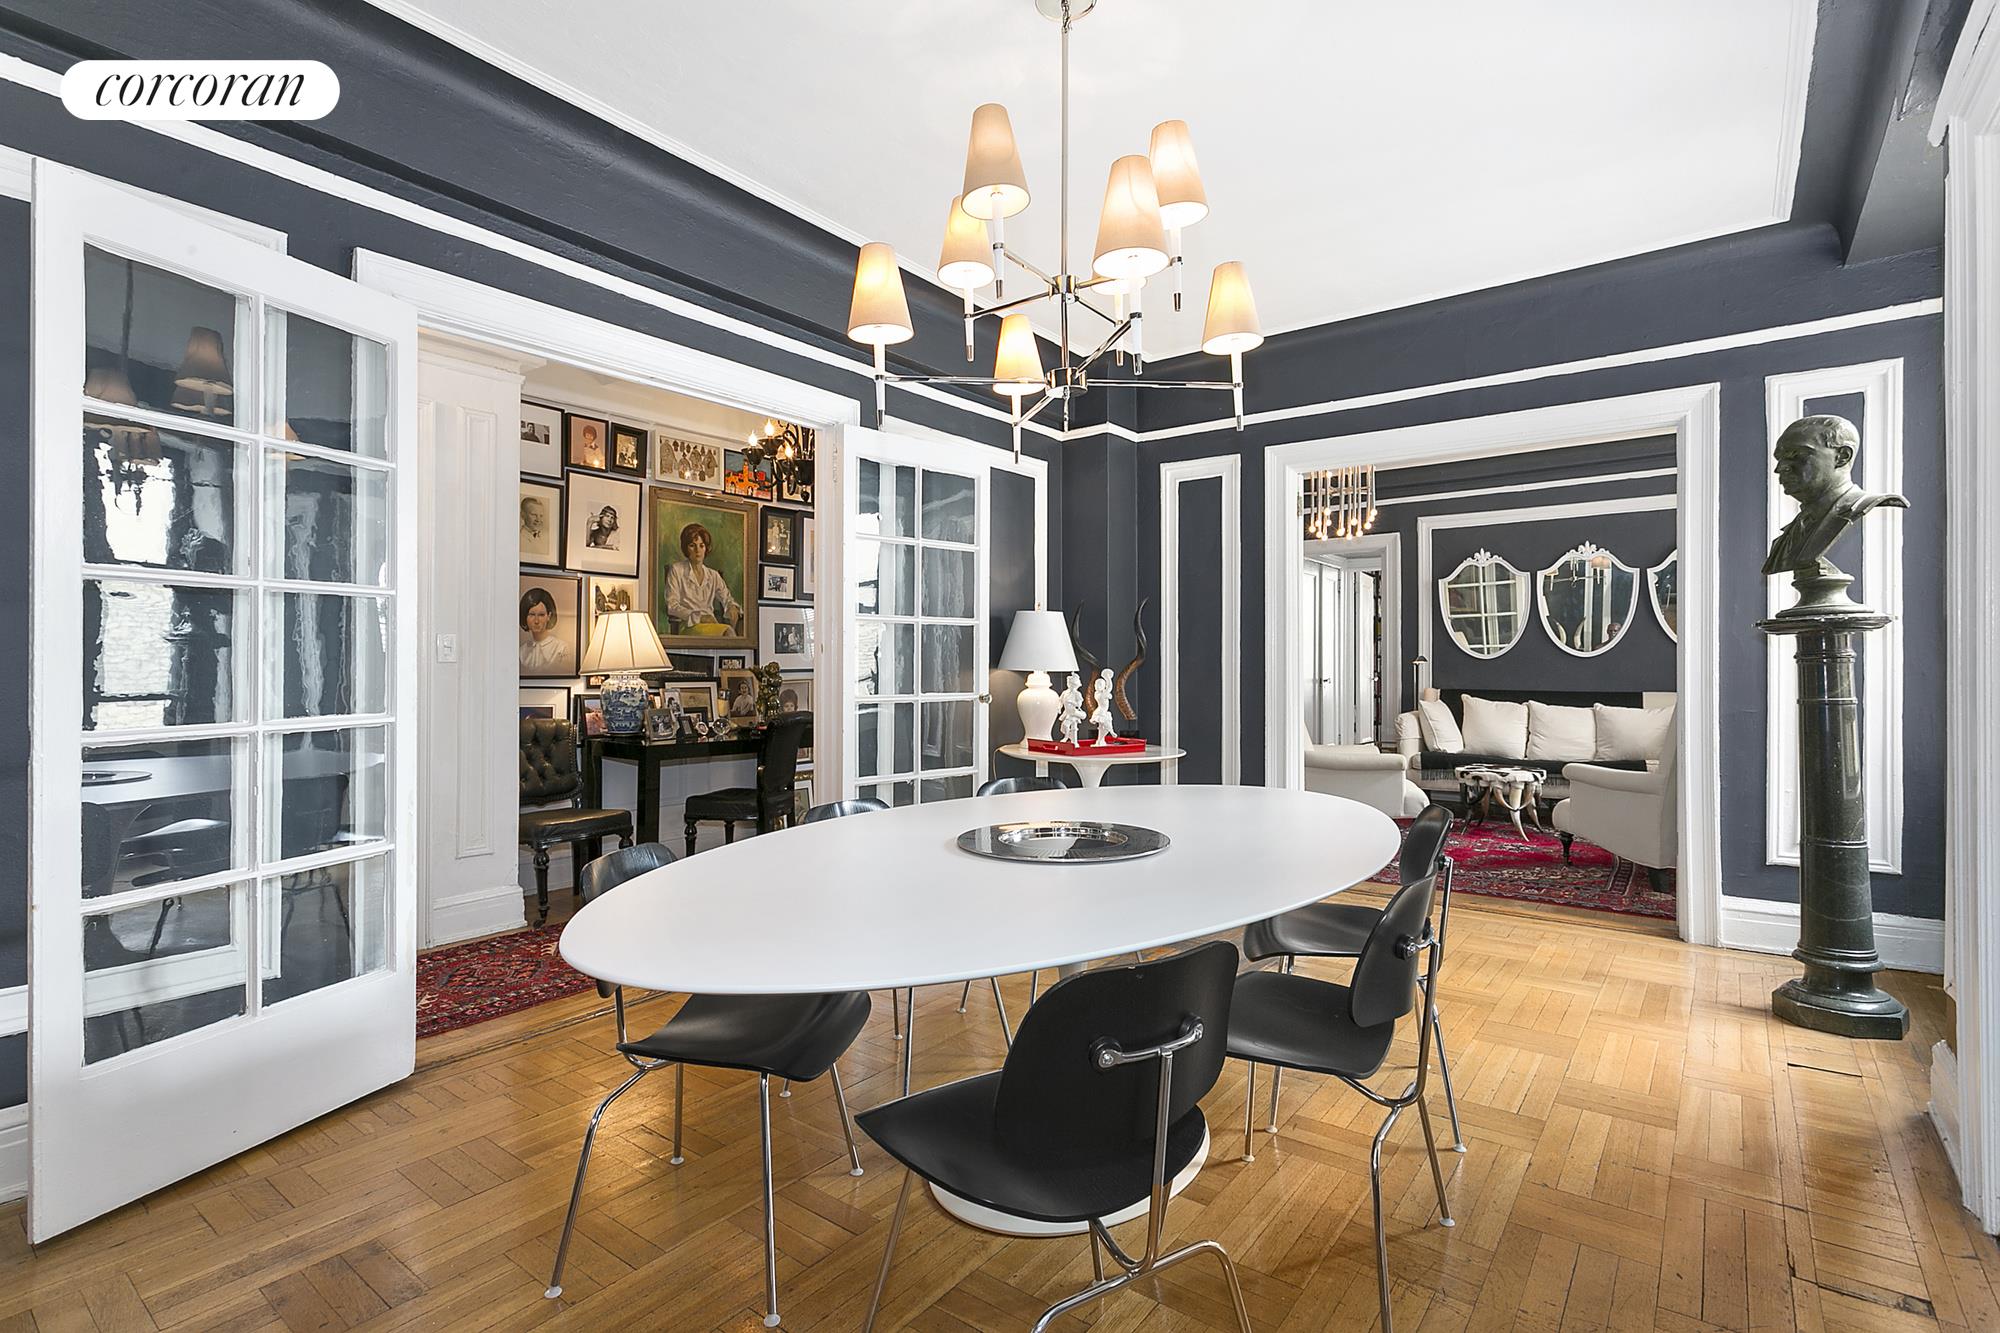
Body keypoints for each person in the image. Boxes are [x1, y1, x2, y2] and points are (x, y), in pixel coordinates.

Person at [662, 521, 741, 631]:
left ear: (706, 548)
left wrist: (731, 606)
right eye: (692, 546)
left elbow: (727, 598)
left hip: (712, 625)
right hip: (688, 626)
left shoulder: (713, 575)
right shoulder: (677, 570)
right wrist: (699, 617)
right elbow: (672, 606)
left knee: (736, 629)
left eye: (701, 545)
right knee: (728, 632)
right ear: (686, 548)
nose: (697, 550)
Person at [519, 588, 569, 673]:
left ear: (549, 616)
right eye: (531, 615)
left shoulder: (561, 648)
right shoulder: (522, 651)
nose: (536, 621)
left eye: (541, 615)